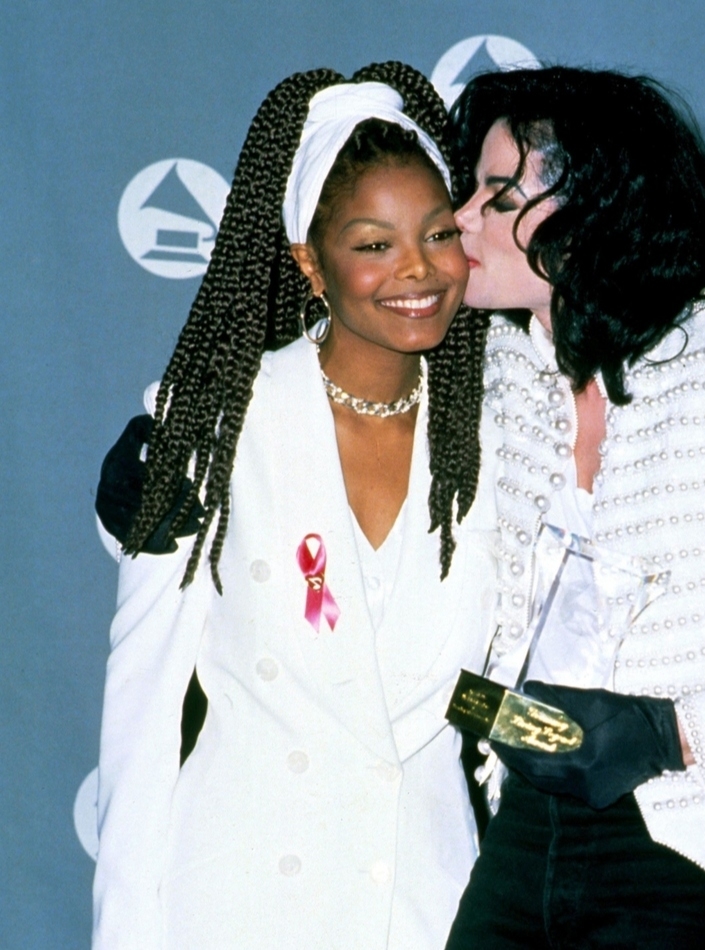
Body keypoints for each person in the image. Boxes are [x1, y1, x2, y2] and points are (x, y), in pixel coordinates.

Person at [92, 62, 499, 950]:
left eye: (437, 234)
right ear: (310, 264)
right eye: (373, 244)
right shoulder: (218, 419)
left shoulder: (504, 433)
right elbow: (144, 712)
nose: (418, 271)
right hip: (239, 903)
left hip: (433, 906)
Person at [444, 66, 705, 949]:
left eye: (498, 192)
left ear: (597, 201)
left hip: (704, 838)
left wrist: (669, 732)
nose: (463, 221)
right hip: (522, 821)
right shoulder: (494, 369)